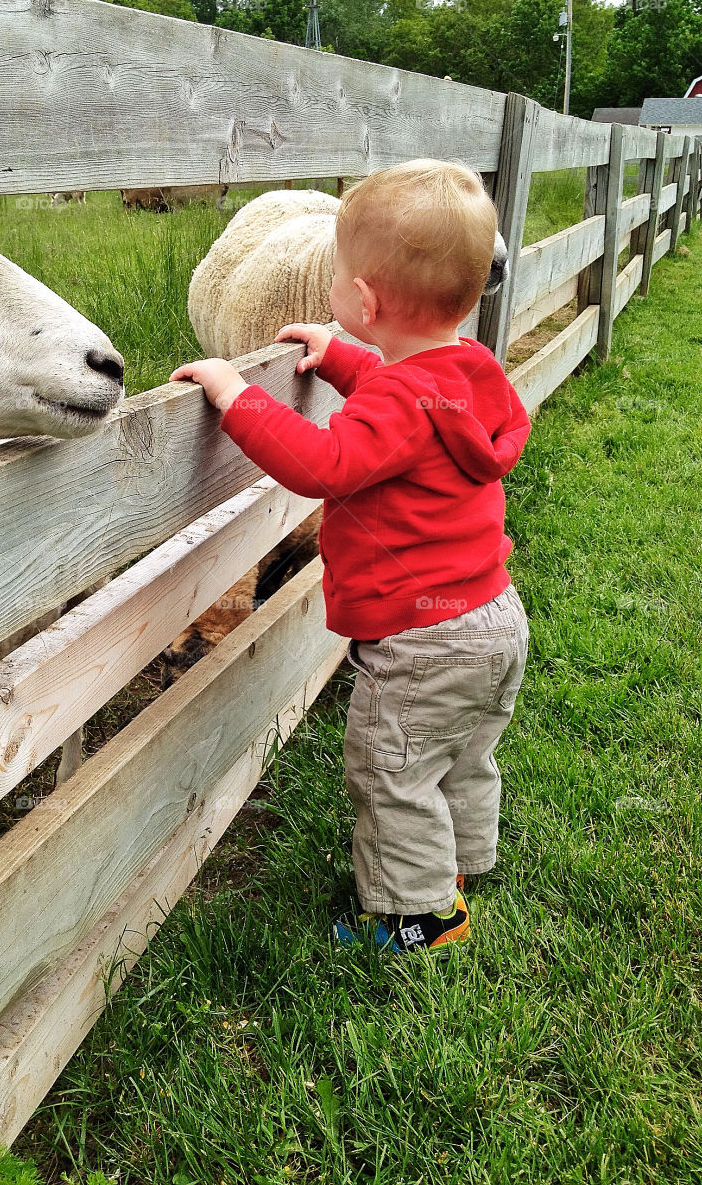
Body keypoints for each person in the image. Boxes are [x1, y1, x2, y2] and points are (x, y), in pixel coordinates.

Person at [169, 159, 531, 955]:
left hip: (421, 640)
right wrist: (337, 356)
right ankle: (464, 861)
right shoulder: (466, 373)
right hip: (492, 618)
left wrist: (239, 396)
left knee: (391, 767)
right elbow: (401, 388)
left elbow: (323, 465)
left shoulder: (404, 399)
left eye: (337, 275)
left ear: (364, 300)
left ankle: (419, 916)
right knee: (463, 750)